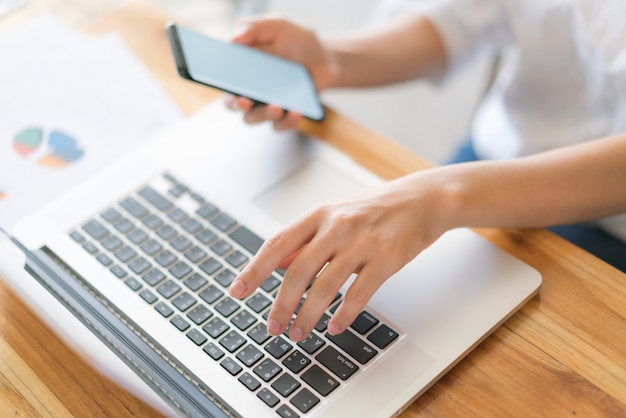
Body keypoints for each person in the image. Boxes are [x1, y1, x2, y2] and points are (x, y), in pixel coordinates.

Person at [225, 0, 626, 343]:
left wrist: (442, 196)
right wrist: (331, 60)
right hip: (488, 162)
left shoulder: (444, 192)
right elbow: (463, 17)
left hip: (607, 231)